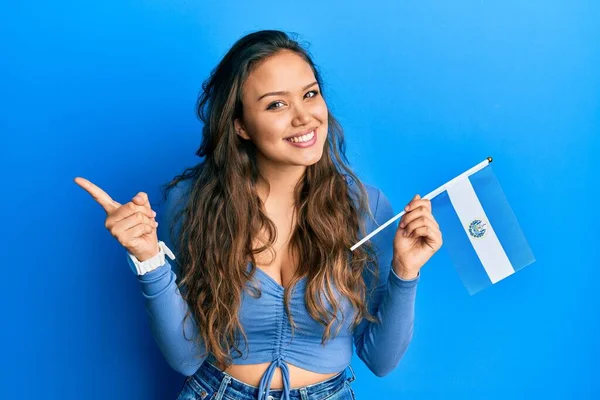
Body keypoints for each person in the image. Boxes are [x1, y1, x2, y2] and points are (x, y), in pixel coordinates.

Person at [75, 29, 442, 400]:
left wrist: (406, 272)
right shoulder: (193, 203)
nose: (304, 117)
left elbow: (381, 360)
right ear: (240, 125)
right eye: (276, 105)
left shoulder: (367, 207)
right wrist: (148, 261)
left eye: (310, 94)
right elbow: (186, 358)